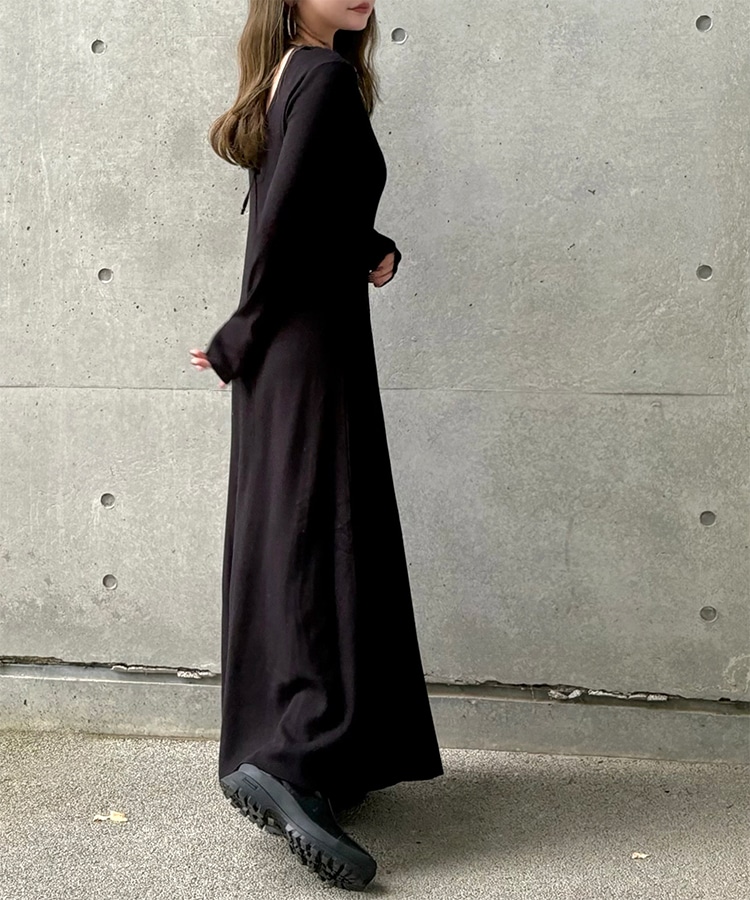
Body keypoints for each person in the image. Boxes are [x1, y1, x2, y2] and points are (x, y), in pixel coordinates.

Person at [188, 0, 443, 890]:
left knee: (302, 529)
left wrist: (368, 244)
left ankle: (317, 751)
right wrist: (242, 333)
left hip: (291, 347)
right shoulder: (325, 77)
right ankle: (293, 758)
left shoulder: (291, 73)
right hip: (305, 345)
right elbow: (286, 221)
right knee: (320, 533)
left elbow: (309, 205)